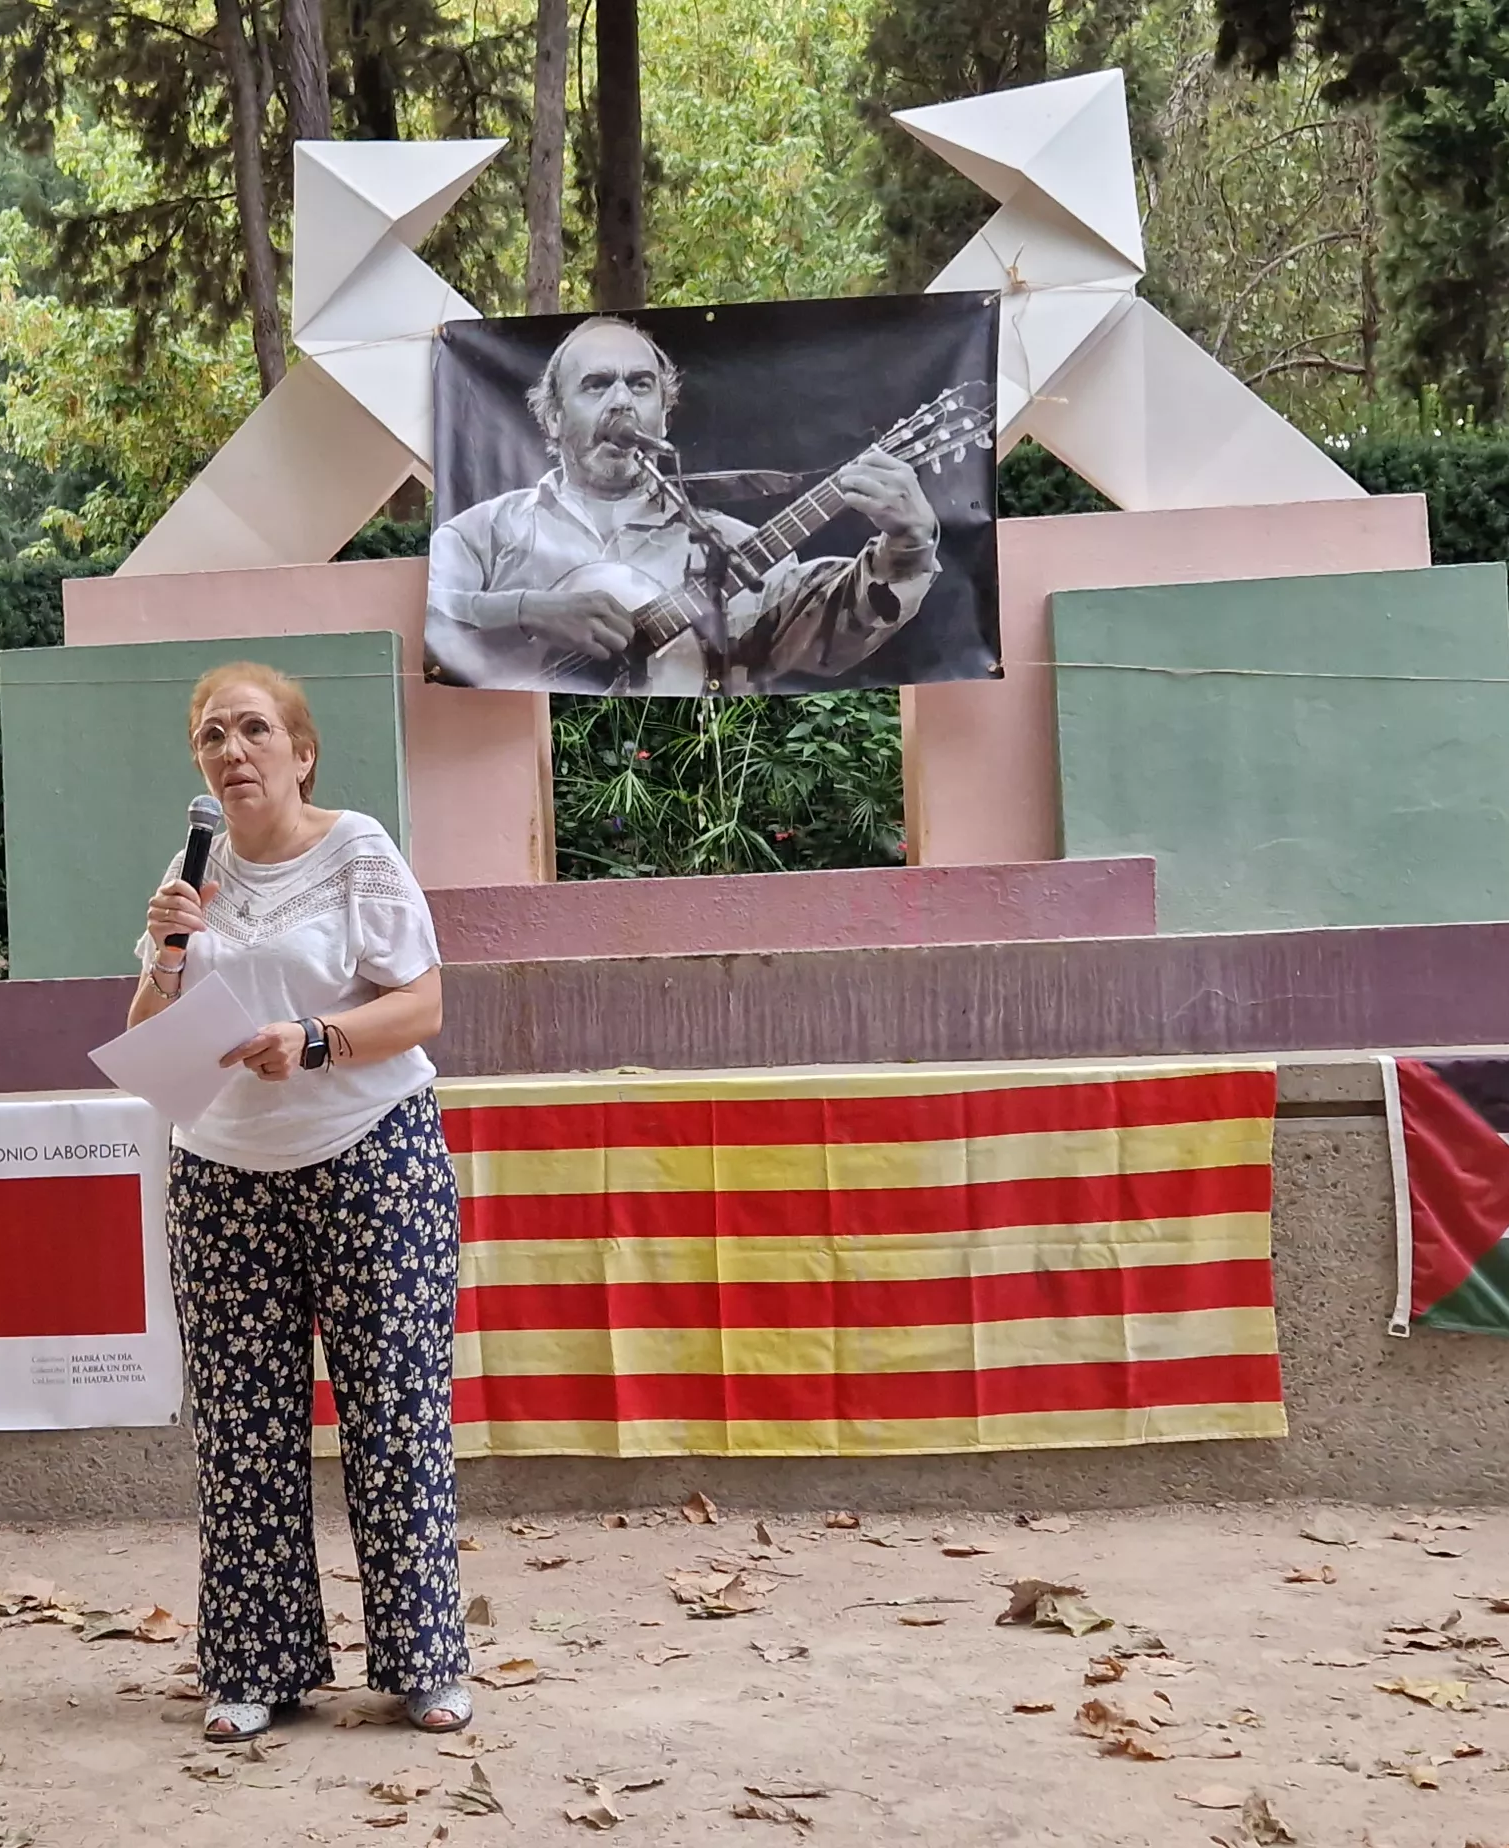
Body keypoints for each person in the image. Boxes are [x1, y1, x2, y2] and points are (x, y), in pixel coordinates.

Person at [130, 663, 471, 1743]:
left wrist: (316, 1039)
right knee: (241, 1429)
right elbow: (150, 1033)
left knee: (393, 1412)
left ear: (301, 750)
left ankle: (422, 1663)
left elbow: (423, 1003)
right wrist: (168, 950)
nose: (232, 752)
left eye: (253, 730)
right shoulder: (190, 880)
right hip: (220, 1174)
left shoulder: (357, 850)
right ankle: (253, 1667)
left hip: (367, 1156)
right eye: (212, 738)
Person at [426, 314, 942, 695]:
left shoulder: (726, 546)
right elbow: (427, 630)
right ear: (554, 418)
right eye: (598, 385)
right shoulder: (482, 534)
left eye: (640, 385)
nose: (622, 401)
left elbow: (828, 629)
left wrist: (907, 547)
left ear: (663, 418)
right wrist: (527, 610)